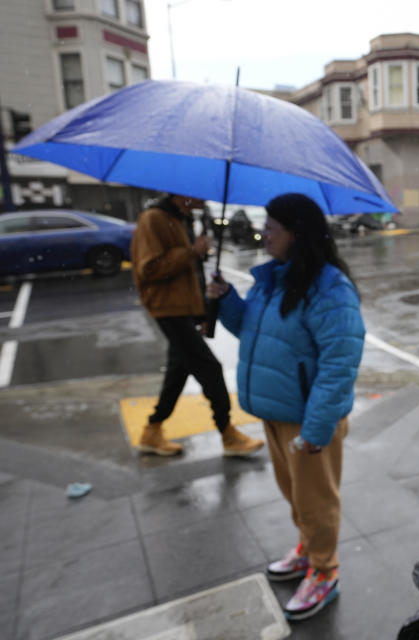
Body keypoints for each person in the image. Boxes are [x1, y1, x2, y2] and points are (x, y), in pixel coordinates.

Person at [206, 192, 365, 621]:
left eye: (272, 228)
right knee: (294, 494)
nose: (265, 235)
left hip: (309, 418)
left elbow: (340, 363)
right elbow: (255, 334)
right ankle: (308, 547)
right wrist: (225, 301)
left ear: (297, 233)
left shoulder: (330, 288)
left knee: (316, 500)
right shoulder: (273, 278)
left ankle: (324, 570)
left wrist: (316, 428)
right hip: (276, 412)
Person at [130, 193, 264, 457]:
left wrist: (201, 311)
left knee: (177, 371)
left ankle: (152, 430)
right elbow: (149, 268)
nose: (206, 197)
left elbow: (190, 273)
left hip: (184, 307)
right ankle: (227, 433)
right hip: (167, 307)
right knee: (210, 369)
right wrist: (192, 251)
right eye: (200, 192)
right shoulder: (154, 219)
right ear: (181, 193)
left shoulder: (183, 219)